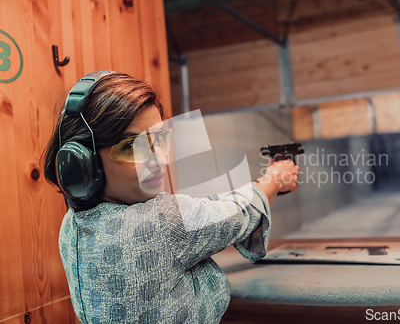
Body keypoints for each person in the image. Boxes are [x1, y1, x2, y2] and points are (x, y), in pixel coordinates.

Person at [42, 71, 299, 323]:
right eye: (133, 145)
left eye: (160, 140)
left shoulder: (71, 227)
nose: (160, 159)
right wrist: (274, 179)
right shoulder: (163, 221)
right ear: (83, 163)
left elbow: (206, 211)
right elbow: (239, 213)